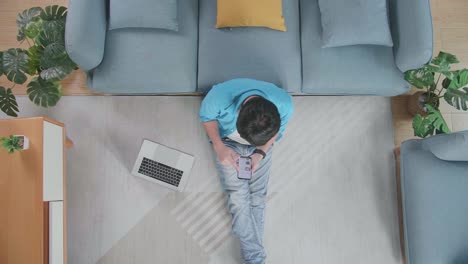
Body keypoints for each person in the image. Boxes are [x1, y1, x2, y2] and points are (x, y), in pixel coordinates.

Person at [199, 78, 294, 264]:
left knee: (258, 196)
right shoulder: (218, 97)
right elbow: (206, 118)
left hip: (261, 146)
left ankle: (254, 258)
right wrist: (219, 147)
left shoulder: (284, 104)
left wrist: (260, 152)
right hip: (227, 142)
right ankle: (255, 259)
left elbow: (275, 132)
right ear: (239, 113)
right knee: (238, 196)